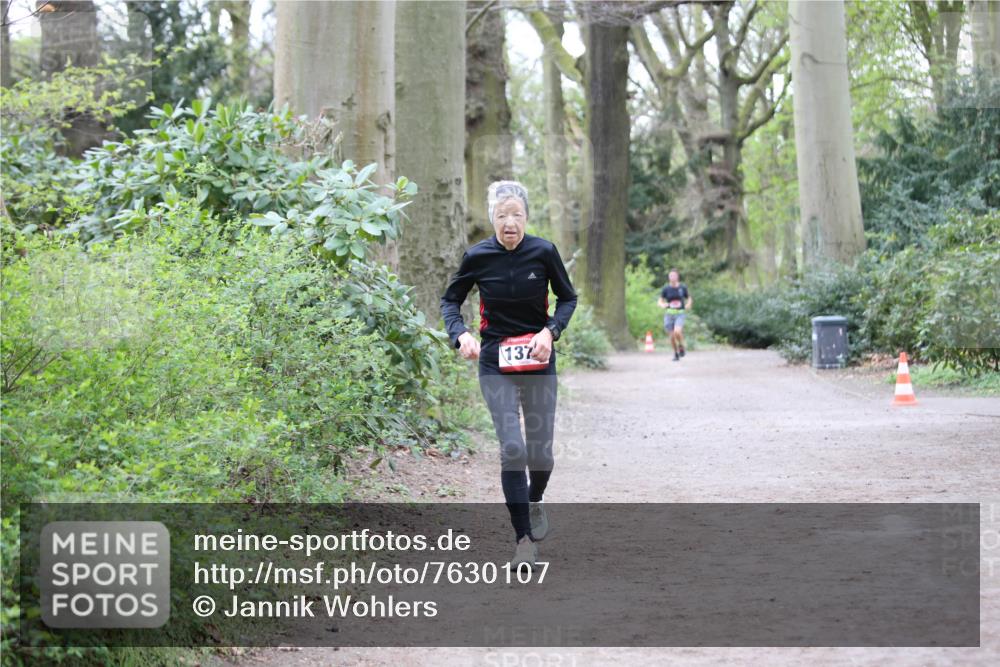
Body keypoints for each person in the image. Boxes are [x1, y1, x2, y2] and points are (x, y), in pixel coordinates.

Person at [441, 180, 577, 568]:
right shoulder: (478, 256)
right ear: (492, 219)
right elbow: (450, 300)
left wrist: (550, 333)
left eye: (516, 214)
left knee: (541, 454)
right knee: (513, 449)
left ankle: (534, 500)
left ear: (526, 217)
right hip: (495, 363)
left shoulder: (544, 252)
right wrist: (461, 334)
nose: (509, 222)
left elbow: (568, 298)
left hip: (538, 360)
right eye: (502, 215)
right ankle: (523, 542)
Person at [657, 268, 692, 361]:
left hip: (680, 314)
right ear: (668, 277)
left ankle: (681, 346)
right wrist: (662, 304)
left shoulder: (682, 287)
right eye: (670, 276)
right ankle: (676, 353)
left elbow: (689, 298)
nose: (672, 277)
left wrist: (688, 304)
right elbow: (660, 300)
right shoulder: (666, 289)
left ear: (677, 277)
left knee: (677, 332)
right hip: (669, 314)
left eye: (674, 275)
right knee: (672, 336)